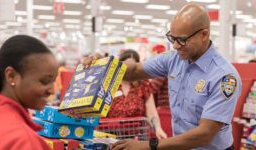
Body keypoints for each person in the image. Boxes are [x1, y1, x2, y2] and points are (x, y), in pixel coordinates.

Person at [84, 4, 242, 150]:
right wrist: (104, 65)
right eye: (172, 38)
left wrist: (148, 145)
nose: (175, 45)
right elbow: (134, 71)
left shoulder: (224, 77)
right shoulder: (174, 59)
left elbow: (204, 134)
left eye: (182, 40)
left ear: (204, 34)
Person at [0, 35, 59, 149]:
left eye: (53, 81)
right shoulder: (24, 141)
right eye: (44, 81)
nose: (52, 90)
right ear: (11, 76)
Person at [107, 49, 167, 140]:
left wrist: (158, 128)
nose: (128, 70)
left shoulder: (143, 84)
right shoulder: (109, 84)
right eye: (126, 65)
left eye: (132, 67)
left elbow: (151, 111)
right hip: (110, 135)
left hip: (137, 136)